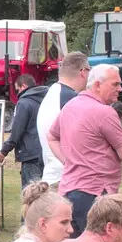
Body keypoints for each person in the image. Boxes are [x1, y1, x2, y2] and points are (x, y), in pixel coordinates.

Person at [46, 62, 122, 234]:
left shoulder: (70, 106)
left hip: (69, 190)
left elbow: (52, 137)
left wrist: (69, 161)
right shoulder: (105, 113)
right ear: (97, 85)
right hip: (95, 194)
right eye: (115, 84)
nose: (121, 88)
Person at [35, 51, 85, 185]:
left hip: (52, 173)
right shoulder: (70, 98)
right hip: (65, 179)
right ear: (83, 72)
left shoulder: (51, 93)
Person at [0, 74, 46, 186]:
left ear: (24, 86)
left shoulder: (24, 103)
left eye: (17, 90)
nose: (17, 94)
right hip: (46, 153)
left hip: (31, 155)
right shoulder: (46, 99)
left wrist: (4, 151)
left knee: (31, 195)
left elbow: (17, 131)